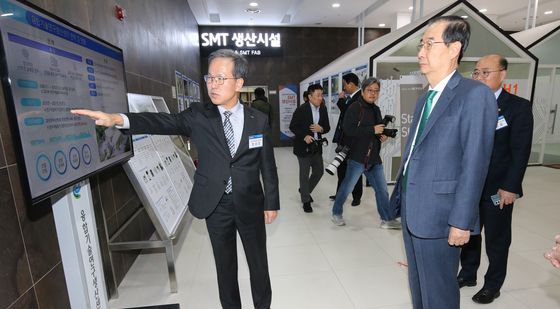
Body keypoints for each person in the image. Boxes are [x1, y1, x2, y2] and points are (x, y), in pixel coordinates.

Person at [71, 49, 279, 309]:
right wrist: (118, 119)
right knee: (225, 269)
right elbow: (162, 121)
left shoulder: (257, 120)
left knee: (258, 264)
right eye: (209, 78)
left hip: (250, 202)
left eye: (220, 79)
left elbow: (267, 165)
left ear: (238, 83)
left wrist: (272, 202)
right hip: (216, 204)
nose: (212, 85)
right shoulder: (199, 116)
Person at [389, 16, 497, 309]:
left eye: (429, 44)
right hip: (415, 211)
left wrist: (461, 221)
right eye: (421, 45)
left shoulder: (475, 95)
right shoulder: (427, 97)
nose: (420, 52)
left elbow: (475, 163)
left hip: (442, 216)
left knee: (439, 294)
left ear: (454, 48)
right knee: (419, 288)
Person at [458, 54, 533, 304]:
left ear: (502, 74)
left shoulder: (518, 107)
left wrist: (510, 187)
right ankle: (468, 274)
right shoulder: (468, 104)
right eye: (476, 72)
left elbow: (520, 151)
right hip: (469, 186)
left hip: (498, 188)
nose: (479, 77)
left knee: (497, 238)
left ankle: (493, 284)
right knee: (469, 233)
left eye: (485, 72)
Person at [330, 77, 399, 228]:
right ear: (362, 91)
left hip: (374, 158)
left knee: (382, 191)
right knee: (347, 188)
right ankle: (336, 213)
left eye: (376, 91)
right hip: (357, 157)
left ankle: (386, 219)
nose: (373, 94)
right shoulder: (354, 107)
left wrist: (383, 135)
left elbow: (377, 129)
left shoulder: (376, 109)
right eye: (370, 90)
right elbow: (348, 130)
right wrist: (372, 129)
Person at [289, 84, 330, 213]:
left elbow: (327, 127)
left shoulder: (323, 109)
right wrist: (304, 136)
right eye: (318, 95)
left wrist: (321, 129)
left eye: (321, 95)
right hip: (303, 147)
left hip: (316, 146)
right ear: (310, 96)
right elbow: (293, 126)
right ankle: (306, 200)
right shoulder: (301, 109)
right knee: (304, 173)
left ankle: (304, 190)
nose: (320, 98)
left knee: (319, 171)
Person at [329, 73, 363, 206]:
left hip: (353, 141)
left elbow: (349, 113)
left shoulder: (359, 98)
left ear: (351, 84)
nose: (344, 88)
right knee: (341, 167)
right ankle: (340, 194)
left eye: (344, 85)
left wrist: (341, 100)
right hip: (344, 140)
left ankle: (357, 196)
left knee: (355, 168)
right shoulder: (351, 98)